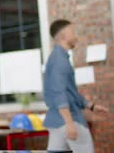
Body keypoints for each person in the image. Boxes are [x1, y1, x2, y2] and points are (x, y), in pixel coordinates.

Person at [43, 19, 109, 153]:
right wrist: (69, 123)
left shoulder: (58, 58)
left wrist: (91, 106)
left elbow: (69, 92)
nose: (75, 36)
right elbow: (58, 93)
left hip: (57, 121)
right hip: (70, 120)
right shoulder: (59, 60)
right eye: (72, 32)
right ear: (63, 36)